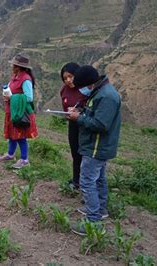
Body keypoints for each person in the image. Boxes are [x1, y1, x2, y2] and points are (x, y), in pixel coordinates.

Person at [67, 65, 121, 235]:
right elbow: (95, 113)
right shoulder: (99, 92)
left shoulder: (107, 97)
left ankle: (93, 222)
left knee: (87, 180)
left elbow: (101, 124)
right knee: (98, 178)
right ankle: (101, 209)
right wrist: (81, 111)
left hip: (97, 146)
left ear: (89, 83)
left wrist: (79, 118)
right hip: (96, 145)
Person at [0, 54, 38, 169]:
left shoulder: (25, 79)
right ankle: (10, 154)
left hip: (21, 113)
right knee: (12, 134)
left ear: (18, 67)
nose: (12, 67)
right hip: (13, 111)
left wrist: (12, 97)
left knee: (20, 136)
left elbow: (29, 97)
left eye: (13, 65)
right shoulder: (16, 77)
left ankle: (25, 160)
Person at [59, 62, 88, 191]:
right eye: (65, 78)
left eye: (71, 76)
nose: (68, 80)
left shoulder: (86, 89)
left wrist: (80, 111)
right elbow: (65, 107)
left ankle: (87, 183)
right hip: (73, 125)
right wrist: (67, 114)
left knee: (86, 155)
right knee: (75, 153)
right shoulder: (64, 90)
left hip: (86, 125)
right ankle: (76, 180)